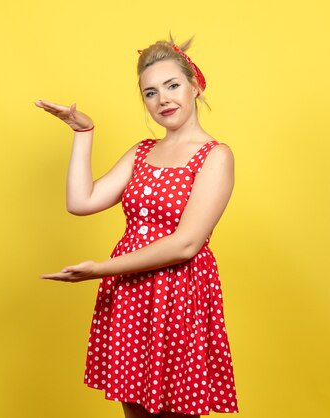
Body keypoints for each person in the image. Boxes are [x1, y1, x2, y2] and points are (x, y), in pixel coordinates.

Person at [35, 35, 239, 418]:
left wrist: (100, 269)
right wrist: (83, 133)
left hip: (179, 296)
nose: (163, 99)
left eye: (173, 86)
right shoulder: (142, 151)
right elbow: (81, 202)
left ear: (195, 85)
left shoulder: (216, 157)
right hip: (132, 294)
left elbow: (186, 244)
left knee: (178, 409)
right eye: (150, 92)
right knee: (136, 412)